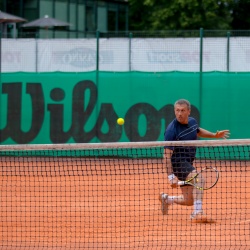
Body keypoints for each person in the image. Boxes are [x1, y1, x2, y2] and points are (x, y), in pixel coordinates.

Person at [159, 99, 230, 222]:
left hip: (188, 162)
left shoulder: (192, 122)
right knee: (199, 178)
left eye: (182, 110)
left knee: (189, 200)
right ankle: (197, 213)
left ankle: (167, 199)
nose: (179, 114)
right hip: (178, 163)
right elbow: (166, 155)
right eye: (177, 110)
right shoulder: (171, 130)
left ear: (188, 112)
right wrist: (170, 176)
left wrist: (214, 135)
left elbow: (197, 130)